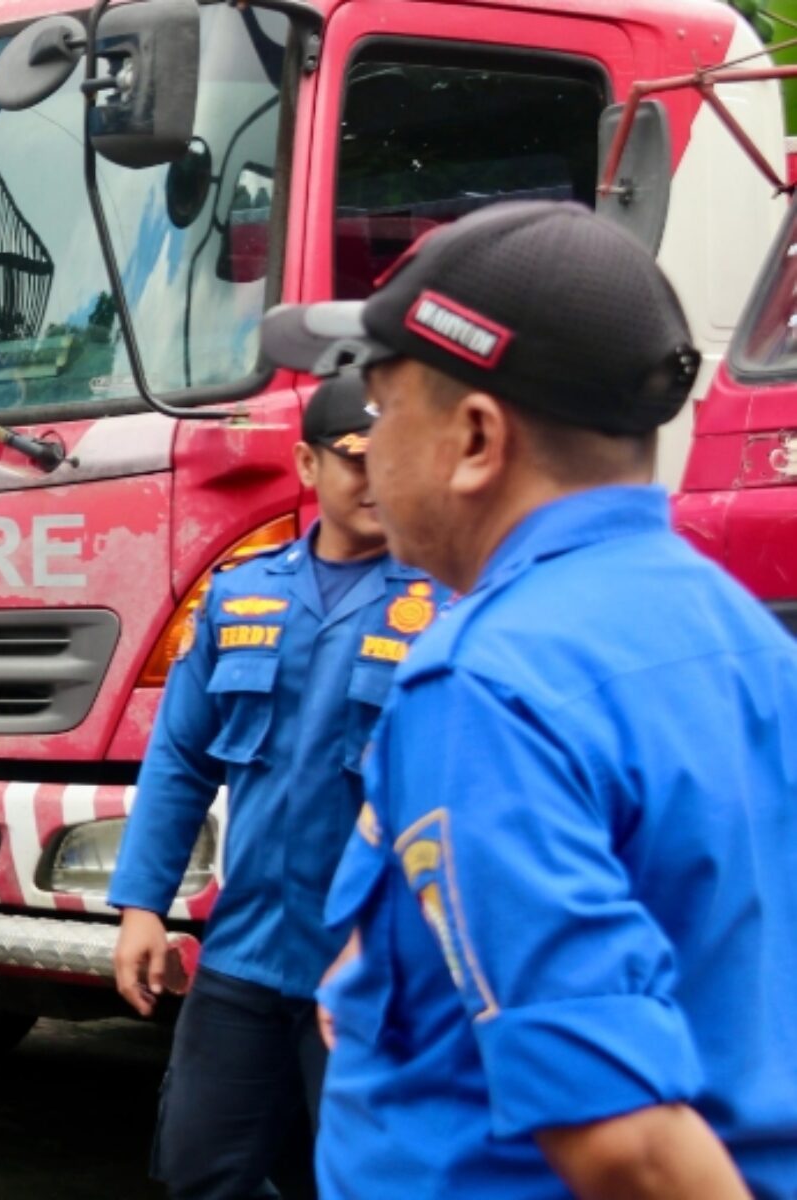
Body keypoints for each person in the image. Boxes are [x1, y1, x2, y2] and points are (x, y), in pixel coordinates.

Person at [263, 200, 797, 1197]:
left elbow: (626, 1147)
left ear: (474, 437)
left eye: (381, 413)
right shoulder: (742, 639)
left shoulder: (486, 685)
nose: (368, 455)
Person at [107, 369, 432, 1199]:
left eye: (391, 456)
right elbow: (181, 759)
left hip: (371, 971)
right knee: (195, 1172)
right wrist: (143, 905)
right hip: (246, 957)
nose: (374, 478)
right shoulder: (241, 596)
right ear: (307, 463)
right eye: (355, 458)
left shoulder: (444, 608)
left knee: (359, 1181)